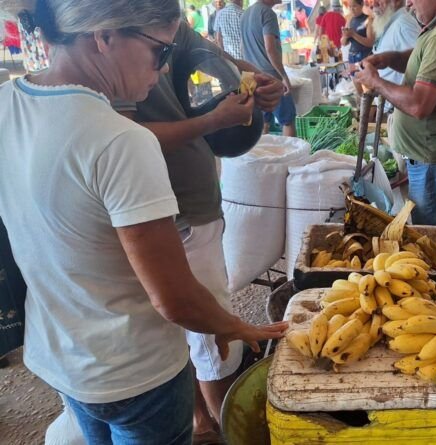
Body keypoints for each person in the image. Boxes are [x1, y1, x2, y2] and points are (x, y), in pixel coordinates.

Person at [0, 1, 288, 444]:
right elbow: (175, 299)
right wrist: (238, 325)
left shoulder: (7, 102)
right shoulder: (120, 140)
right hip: (136, 373)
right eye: (161, 52)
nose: (165, 69)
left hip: (62, 357)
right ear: (104, 36)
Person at [113, 19, 286, 444]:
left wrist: (259, 80)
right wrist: (212, 122)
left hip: (192, 200)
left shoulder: (166, 21)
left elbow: (216, 57)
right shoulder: (114, 39)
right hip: (169, 210)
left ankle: (203, 423)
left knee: (186, 329)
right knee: (208, 332)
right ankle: (225, 425)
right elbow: (121, 137)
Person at [356, 0, 436, 227]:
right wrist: (387, 59)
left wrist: (376, 82)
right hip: (433, 156)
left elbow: (419, 105)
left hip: (433, 159)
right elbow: (421, 59)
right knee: (435, 230)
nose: (409, 3)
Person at [243, 0, 298, 137]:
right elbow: (270, 49)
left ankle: (263, 158)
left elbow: (242, 48)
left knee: (260, 124)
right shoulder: (268, 13)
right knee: (288, 120)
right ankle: (291, 158)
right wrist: (284, 76)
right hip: (269, 76)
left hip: (249, 76)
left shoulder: (245, 14)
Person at [371, 0, 420, 86]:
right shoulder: (390, 22)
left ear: (396, 1)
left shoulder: (404, 24)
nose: (374, 4)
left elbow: (419, 66)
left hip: (399, 97)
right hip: (388, 96)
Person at [342, 0, 374, 67]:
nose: (351, 9)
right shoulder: (349, 20)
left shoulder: (368, 20)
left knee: (365, 77)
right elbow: (344, 43)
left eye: (354, 6)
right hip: (351, 55)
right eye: (350, 7)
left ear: (362, 4)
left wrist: (353, 34)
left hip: (364, 55)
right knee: (354, 77)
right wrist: (345, 36)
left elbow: (371, 43)